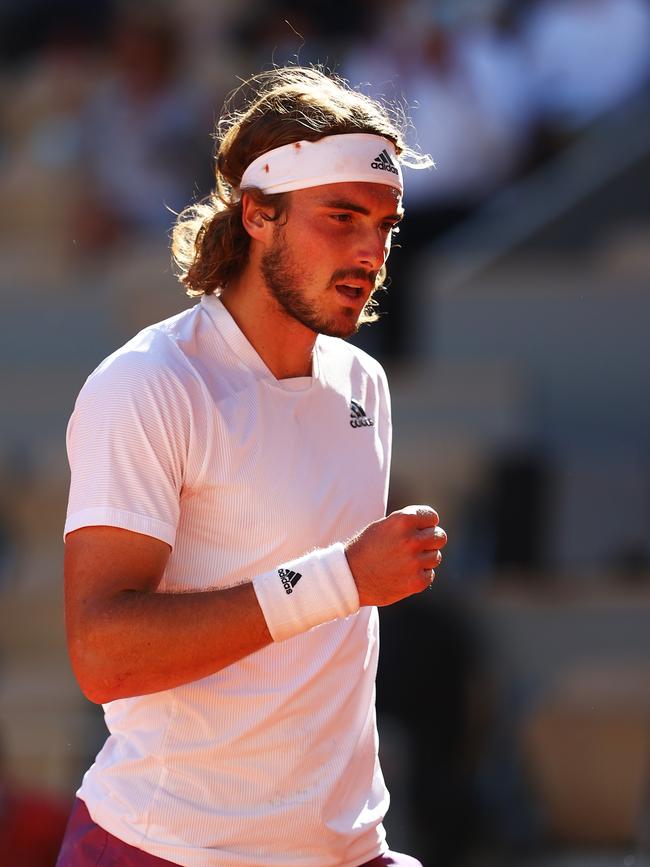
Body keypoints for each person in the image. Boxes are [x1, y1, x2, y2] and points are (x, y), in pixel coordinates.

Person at [57, 66, 447, 867]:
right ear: (258, 214)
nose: (371, 250)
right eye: (342, 217)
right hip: (166, 849)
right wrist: (342, 577)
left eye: (385, 225)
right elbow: (103, 655)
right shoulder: (149, 382)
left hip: (346, 849)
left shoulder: (363, 384)